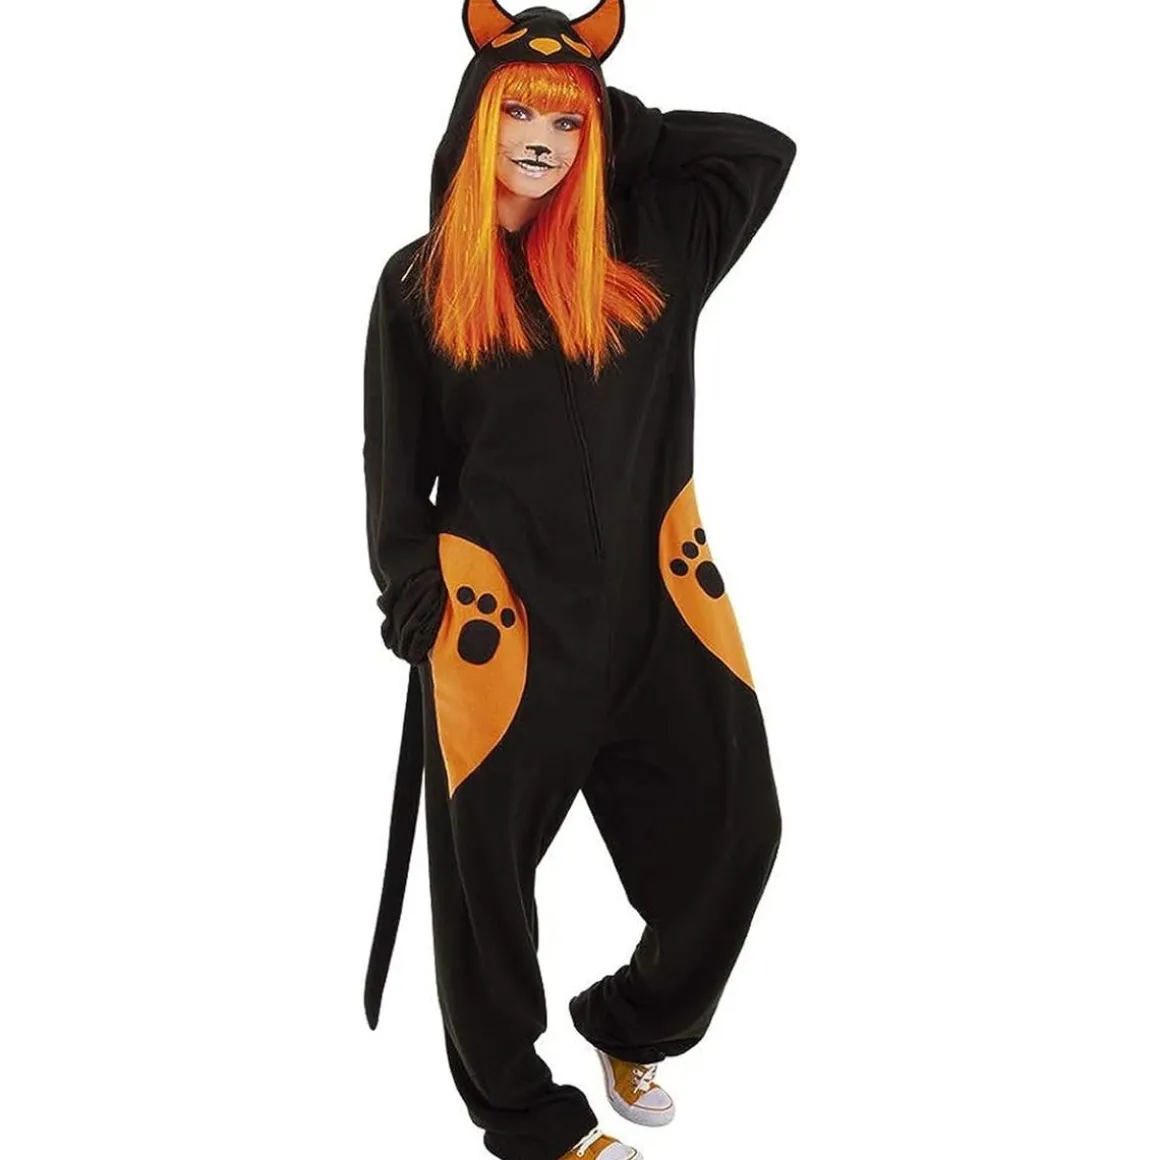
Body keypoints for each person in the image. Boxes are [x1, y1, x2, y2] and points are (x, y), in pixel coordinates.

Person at [361, 3, 796, 1158]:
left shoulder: (652, 246)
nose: (543, 138)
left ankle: (630, 1021)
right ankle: (529, 1120)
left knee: (740, 829)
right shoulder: (419, 285)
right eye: (521, 110)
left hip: (661, 606)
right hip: (503, 620)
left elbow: (758, 152)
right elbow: (394, 468)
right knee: (487, 893)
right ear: (476, 117)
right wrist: (414, 594)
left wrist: (615, 117)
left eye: (567, 121)